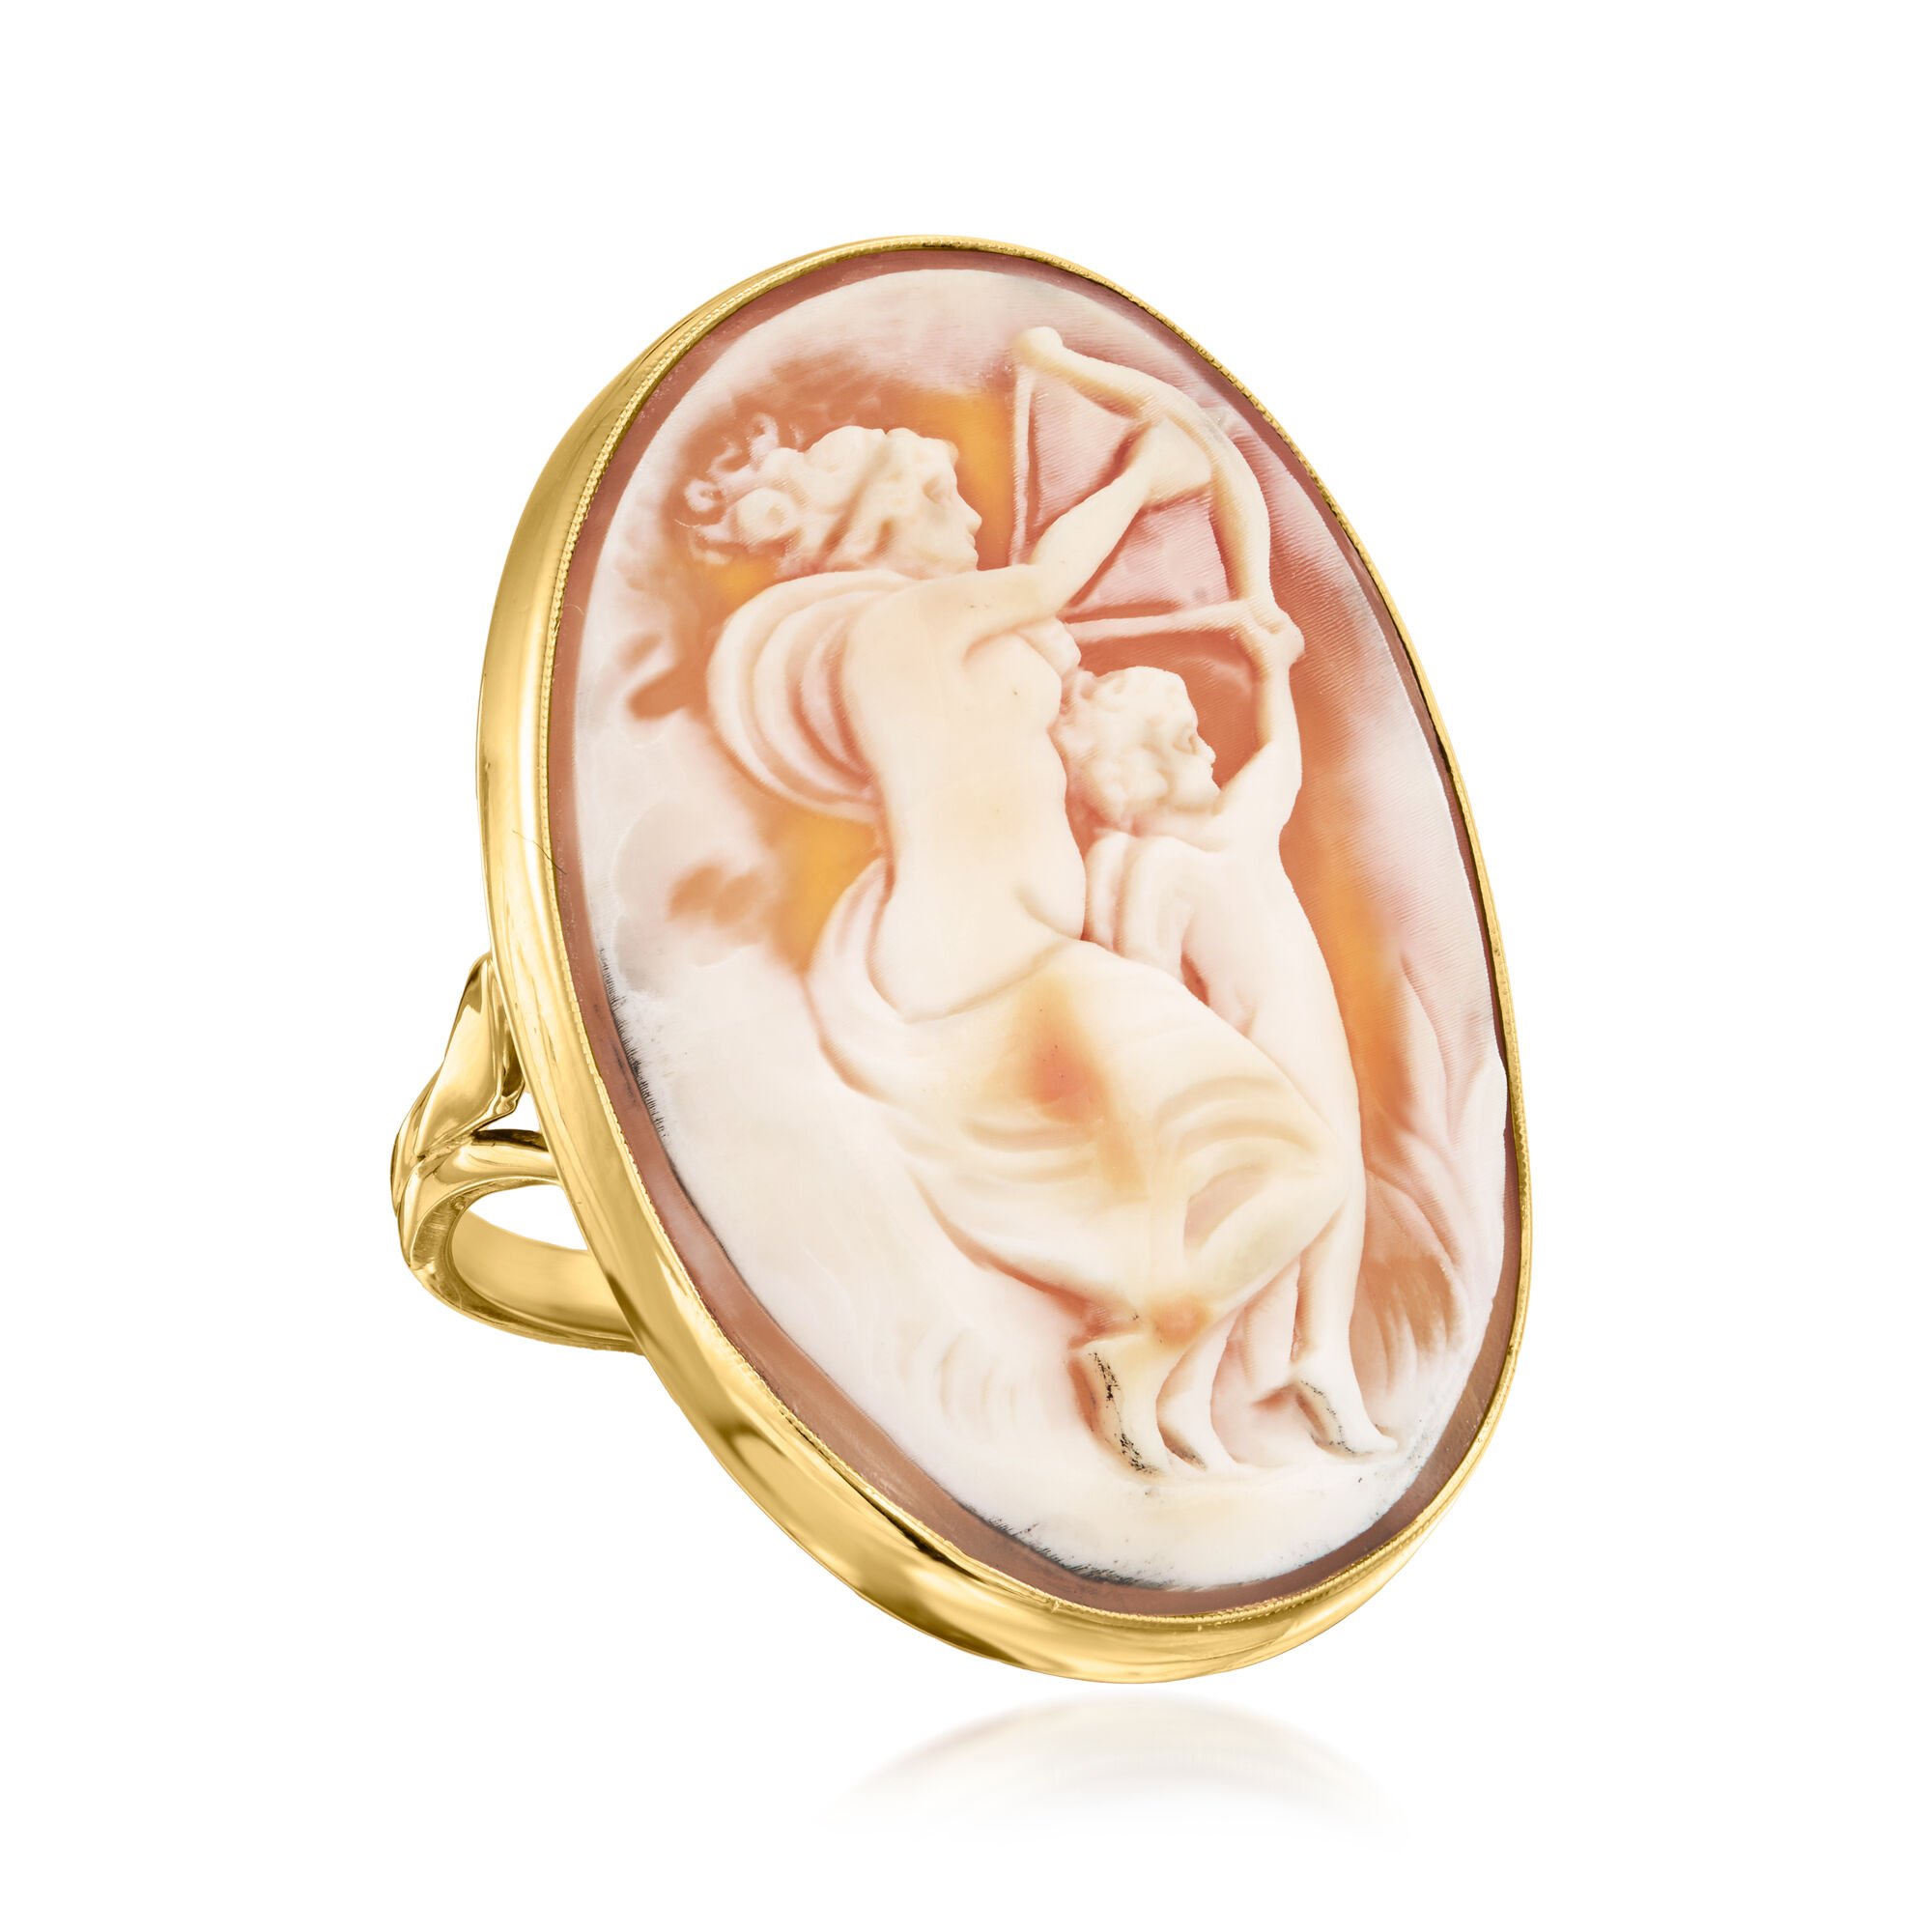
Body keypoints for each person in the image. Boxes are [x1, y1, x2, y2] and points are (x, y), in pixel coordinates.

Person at [698, 339, 1382, 1470]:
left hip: (1022, 961)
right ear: (882, 519)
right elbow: (1045, 581)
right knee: (1289, 1164)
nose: (970, 513)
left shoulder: (951, 641)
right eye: (940, 498)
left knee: (1226, 1177)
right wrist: (1144, 473)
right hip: (983, 962)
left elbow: (1042, 654)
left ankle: (1141, 1365)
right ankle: (1140, 1360)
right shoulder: (894, 628)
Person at [1054, 614, 1392, 1456]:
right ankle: (1221, 1377)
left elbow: (1283, 759)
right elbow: (1144, 987)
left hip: (1298, 1030)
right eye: (1188, 739)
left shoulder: (1222, 833)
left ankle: (1287, 1363)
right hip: (1260, 1046)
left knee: (1319, 1199)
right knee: (1280, 1210)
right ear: (1139, 769)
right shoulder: (1155, 865)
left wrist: (1275, 668)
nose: (1211, 750)